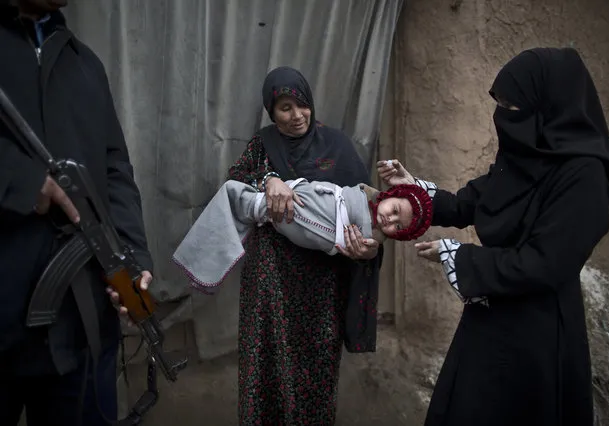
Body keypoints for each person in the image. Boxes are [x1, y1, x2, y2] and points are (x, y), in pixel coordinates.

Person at [378, 47, 609, 426]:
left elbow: (545, 264)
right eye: (501, 105)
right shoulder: (526, 155)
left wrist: (461, 258)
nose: (503, 117)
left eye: (513, 107)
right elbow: (472, 202)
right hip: (489, 321)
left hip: (537, 336)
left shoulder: (584, 177)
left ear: (546, 106)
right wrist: (415, 202)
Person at [0, 1, 153, 425]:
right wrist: (22, 183)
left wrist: (133, 259)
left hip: (81, 326)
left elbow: (115, 170)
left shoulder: (85, 64)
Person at [225, 66, 383, 424]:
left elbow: (368, 210)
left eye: (302, 106)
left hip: (321, 283)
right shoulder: (263, 144)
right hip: (271, 283)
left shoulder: (337, 146)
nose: (297, 116)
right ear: (271, 111)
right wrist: (269, 178)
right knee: (267, 362)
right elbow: (234, 181)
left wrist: (368, 248)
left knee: (316, 365)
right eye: (284, 108)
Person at [172, 178, 432, 291]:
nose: (390, 219)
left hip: (315, 293)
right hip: (269, 277)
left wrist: (369, 250)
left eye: (397, 227)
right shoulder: (360, 195)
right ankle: (197, 265)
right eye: (395, 210)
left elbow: (363, 247)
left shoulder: (372, 237)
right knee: (235, 199)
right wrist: (274, 181)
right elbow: (345, 192)